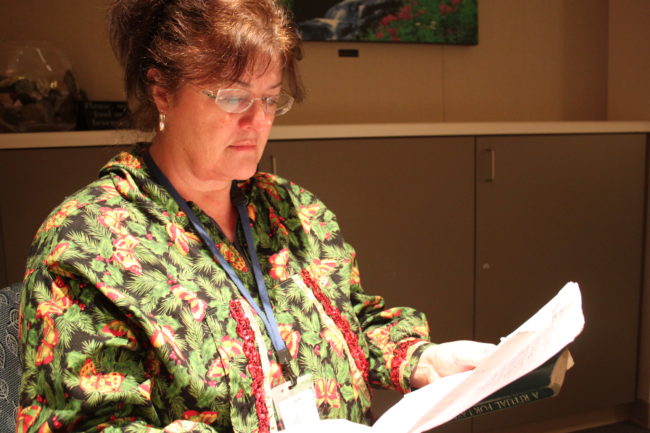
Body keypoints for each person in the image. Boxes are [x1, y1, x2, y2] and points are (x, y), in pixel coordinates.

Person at [17, 1, 495, 432]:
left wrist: (425, 359)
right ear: (161, 91)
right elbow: (88, 425)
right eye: (232, 97)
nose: (257, 122)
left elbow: (351, 321)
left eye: (270, 99)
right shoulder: (89, 240)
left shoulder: (292, 212)